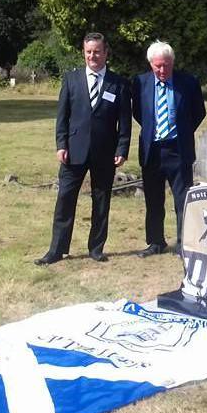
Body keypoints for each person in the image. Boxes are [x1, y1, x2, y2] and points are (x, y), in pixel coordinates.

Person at [35, 32, 132, 265]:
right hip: (73, 151)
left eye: (97, 51)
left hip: (104, 153)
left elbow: (125, 121)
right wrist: (61, 145)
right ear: (83, 53)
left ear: (105, 52)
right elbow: (62, 117)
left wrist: (122, 148)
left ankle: (96, 249)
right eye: (89, 51)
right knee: (65, 200)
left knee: (101, 201)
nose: (93, 56)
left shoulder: (118, 83)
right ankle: (56, 250)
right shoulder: (71, 79)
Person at [132, 41, 206, 257]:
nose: (162, 70)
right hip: (152, 150)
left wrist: (181, 130)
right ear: (150, 65)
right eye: (157, 66)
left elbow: (198, 112)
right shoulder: (140, 83)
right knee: (153, 200)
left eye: (166, 65)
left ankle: (185, 243)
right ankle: (156, 242)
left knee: (183, 200)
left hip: (178, 149)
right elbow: (139, 112)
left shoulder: (188, 82)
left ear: (172, 62)